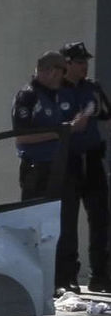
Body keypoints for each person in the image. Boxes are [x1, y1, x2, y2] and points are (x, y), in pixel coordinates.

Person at [13, 50, 91, 294]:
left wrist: (73, 126)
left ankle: (63, 279)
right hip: (38, 170)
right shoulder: (28, 96)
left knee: (63, 223)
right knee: (36, 226)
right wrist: (63, 131)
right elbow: (21, 138)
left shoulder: (54, 96)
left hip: (60, 167)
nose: (61, 78)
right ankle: (36, 281)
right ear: (49, 71)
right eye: (59, 72)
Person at [60, 41, 111, 292]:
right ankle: (69, 277)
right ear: (66, 64)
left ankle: (100, 274)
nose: (84, 66)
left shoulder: (92, 88)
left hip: (92, 159)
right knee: (67, 221)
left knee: (100, 217)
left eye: (85, 62)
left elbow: (106, 115)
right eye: (79, 62)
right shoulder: (55, 90)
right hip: (67, 160)